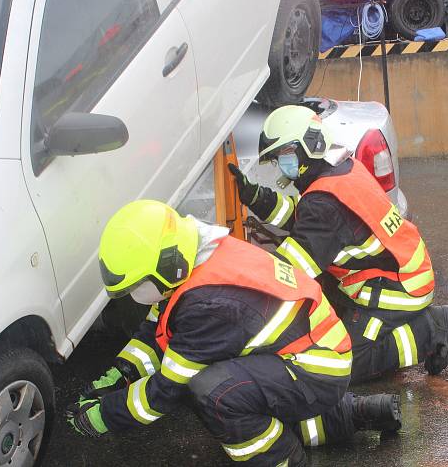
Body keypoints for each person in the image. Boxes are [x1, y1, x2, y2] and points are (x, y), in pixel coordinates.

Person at [66, 200, 402, 466]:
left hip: (316, 368)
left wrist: (103, 417)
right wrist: (121, 373)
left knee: (214, 392)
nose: (138, 295)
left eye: (140, 285)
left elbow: (164, 391)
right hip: (309, 353)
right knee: (234, 389)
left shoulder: (206, 305)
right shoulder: (198, 258)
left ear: (169, 264)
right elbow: (157, 327)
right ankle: (361, 412)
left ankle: (280, 460)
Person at [228, 105, 448, 383]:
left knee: (343, 365)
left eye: (284, 155)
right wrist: (255, 197)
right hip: (396, 268)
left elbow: (289, 271)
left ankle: (428, 330)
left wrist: (234, 273)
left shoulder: (324, 202)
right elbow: (301, 218)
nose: (281, 165)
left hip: (398, 288)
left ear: (307, 147)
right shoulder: (338, 168)